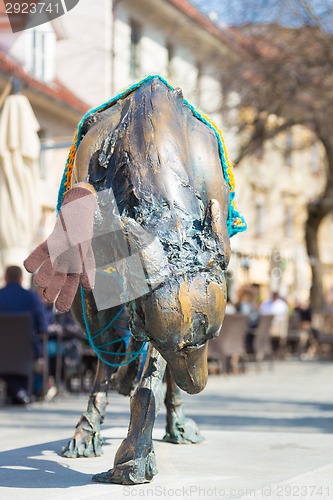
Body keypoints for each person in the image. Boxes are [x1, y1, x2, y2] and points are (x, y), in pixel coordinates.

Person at [0, 266, 48, 404]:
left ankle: (16, 390)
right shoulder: (32, 298)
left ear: (5, 278)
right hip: (25, 352)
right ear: (21, 279)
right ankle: (20, 390)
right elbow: (43, 328)